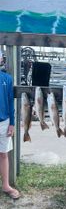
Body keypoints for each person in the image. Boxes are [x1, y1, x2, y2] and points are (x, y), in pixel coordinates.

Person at [0, 51, 20, 199]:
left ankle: (6, 185)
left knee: (3, 154)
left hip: (4, 121)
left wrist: (12, 123)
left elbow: (10, 102)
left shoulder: (7, 78)